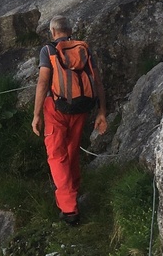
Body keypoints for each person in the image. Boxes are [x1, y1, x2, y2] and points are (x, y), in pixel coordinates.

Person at [31, 15, 107, 225]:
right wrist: (102, 111)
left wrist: (36, 115)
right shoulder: (83, 49)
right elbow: (98, 82)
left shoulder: (48, 50)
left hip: (56, 109)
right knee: (72, 153)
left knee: (57, 156)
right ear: (70, 31)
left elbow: (43, 82)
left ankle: (69, 209)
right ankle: (73, 192)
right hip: (80, 108)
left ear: (53, 32)